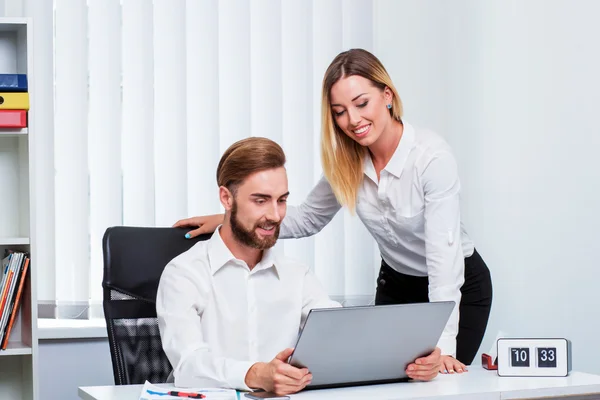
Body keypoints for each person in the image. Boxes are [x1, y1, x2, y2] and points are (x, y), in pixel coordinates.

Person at [174, 49, 493, 375]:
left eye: (361, 103)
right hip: (397, 285)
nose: (353, 120)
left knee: (440, 381)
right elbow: (309, 217)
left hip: (458, 286)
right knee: (389, 383)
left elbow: (444, 260)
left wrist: (445, 345)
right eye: (340, 111)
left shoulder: (431, 158)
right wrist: (231, 218)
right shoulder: (347, 162)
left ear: (387, 95)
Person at [157, 137, 442, 396]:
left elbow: (345, 335)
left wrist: (411, 360)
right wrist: (257, 373)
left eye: (282, 201)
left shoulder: (297, 275)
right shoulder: (184, 273)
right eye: (260, 200)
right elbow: (188, 364)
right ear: (226, 198)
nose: (275, 215)